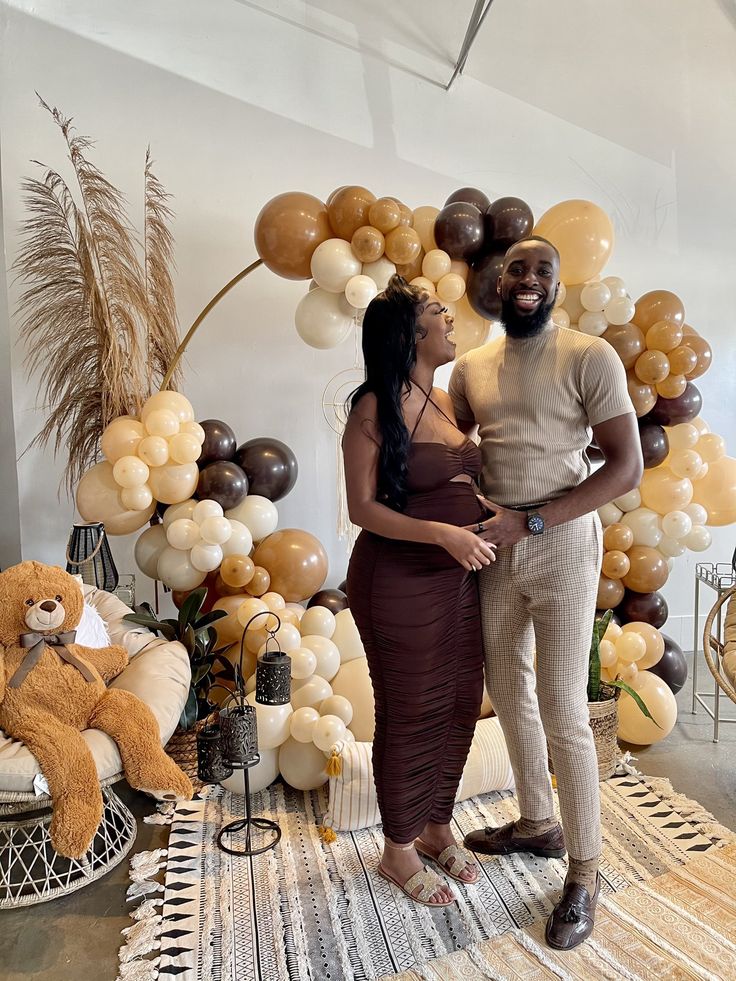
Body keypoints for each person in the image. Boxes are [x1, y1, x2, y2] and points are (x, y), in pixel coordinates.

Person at [449, 236, 643, 950]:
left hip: (559, 541)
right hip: (496, 545)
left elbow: (623, 469)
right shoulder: (470, 368)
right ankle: (537, 823)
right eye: (516, 270)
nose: (527, 280)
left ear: (559, 285)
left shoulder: (590, 355)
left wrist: (529, 519)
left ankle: (586, 870)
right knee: (508, 688)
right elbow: (455, 448)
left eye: (542, 270)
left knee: (563, 704)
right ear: (498, 284)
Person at [343, 275, 496, 907]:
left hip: (459, 579)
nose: (450, 319)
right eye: (438, 312)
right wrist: (441, 534)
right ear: (410, 335)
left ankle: (436, 828)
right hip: (398, 581)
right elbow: (361, 508)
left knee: (460, 701)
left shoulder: (443, 400)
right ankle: (397, 851)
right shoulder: (373, 408)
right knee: (410, 710)